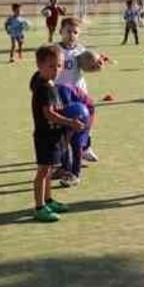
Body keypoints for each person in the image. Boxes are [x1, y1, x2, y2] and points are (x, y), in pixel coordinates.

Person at [29, 44, 87, 223]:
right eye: (51, 66)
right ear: (40, 66)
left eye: (59, 66)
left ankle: (48, 200)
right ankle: (39, 207)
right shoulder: (45, 87)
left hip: (54, 136)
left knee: (49, 170)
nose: (56, 70)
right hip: (45, 137)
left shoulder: (48, 82)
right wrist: (70, 122)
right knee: (43, 171)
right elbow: (49, 114)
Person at [57, 16, 102, 184]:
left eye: (75, 32)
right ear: (60, 31)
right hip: (61, 94)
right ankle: (65, 163)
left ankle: (85, 146)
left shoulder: (81, 51)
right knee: (65, 128)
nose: (71, 35)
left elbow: (89, 67)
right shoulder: (55, 51)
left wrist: (96, 67)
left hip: (78, 92)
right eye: (68, 31)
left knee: (86, 117)